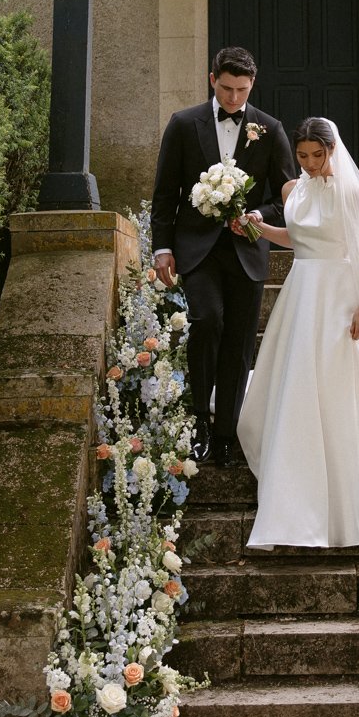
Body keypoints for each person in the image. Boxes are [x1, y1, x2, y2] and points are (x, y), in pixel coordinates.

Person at [236, 117, 359, 549]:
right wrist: (254, 227)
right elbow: (294, 239)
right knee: (294, 384)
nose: (310, 164)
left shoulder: (352, 192)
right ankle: (291, 489)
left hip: (338, 294)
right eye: (303, 156)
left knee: (332, 387)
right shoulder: (295, 190)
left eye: (318, 155)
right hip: (301, 293)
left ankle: (343, 494)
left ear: (333, 150)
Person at [151, 46, 295, 467]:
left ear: (252, 85)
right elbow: (165, 192)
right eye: (228, 88)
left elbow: (288, 199)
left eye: (243, 90)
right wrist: (162, 247)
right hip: (196, 249)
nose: (234, 98)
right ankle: (199, 419)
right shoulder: (182, 124)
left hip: (247, 250)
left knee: (239, 340)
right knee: (207, 320)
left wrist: (258, 215)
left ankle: (227, 432)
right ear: (212, 79)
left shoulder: (269, 129)